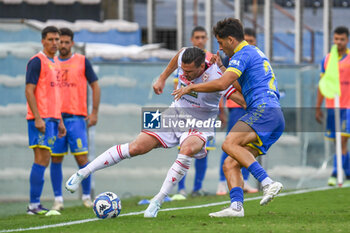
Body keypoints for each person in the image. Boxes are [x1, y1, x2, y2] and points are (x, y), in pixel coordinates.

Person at [65, 47, 246, 218]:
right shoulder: (185, 56)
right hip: (175, 113)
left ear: (201, 67)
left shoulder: (218, 75)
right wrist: (162, 78)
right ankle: (84, 172)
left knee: (187, 149)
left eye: (189, 72)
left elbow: (240, 98)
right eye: (183, 70)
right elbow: (179, 55)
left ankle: (158, 199)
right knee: (137, 147)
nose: (184, 74)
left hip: (200, 123)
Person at [173, 18, 285, 217]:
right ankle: (236, 208)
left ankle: (267, 182)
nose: (220, 48)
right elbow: (242, 90)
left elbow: (223, 84)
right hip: (272, 114)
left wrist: (191, 87)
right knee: (230, 163)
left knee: (228, 144)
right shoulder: (253, 52)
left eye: (221, 42)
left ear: (231, 40)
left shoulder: (242, 54)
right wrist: (223, 70)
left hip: (264, 110)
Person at [50, 28, 101, 211]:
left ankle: (87, 197)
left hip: (77, 118)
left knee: (82, 158)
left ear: (72, 43)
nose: (62, 45)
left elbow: (95, 85)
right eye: (59, 42)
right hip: (55, 120)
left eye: (66, 42)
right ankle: (58, 199)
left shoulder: (81, 61)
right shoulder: (50, 63)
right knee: (55, 159)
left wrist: (94, 112)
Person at [25, 26, 66, 215]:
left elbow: (55, 94)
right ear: (43, 41)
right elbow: (29, 90)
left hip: (52, 119)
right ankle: (33, 205)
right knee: (40, 159)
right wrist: (38, 118)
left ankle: (35, 204)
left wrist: (60, 120)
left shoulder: (55, 62)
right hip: (40, 119)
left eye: (57, 39)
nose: (54, 43)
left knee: (46, 159)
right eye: (50, 39)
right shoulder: (36, 61)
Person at [173, 26, 216, 198]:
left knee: (204, 149)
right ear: (192, 39)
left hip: (205, 114)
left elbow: (219, 88)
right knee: (183, 148)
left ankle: (197, 188)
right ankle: (180, 189)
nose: (200, 40)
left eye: (203, 37)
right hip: (185, 112)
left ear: (206, 39)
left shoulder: (213, 60)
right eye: (197, 37)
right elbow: (177, 83)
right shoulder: (185, 59)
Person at [216, 27, 258, 195]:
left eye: (252, 40)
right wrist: (220, 107)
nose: (249, 43)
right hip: (236, 107)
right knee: (231, 144)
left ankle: (244, 180)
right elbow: (222, 83)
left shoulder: (253, 57)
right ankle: (221, 181)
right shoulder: (230, 59)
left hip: (252, 108)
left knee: (246, 145)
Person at [315, 26, 350, 187]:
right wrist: (318, 107)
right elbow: (322, 84)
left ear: (347, 40)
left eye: (342, 39)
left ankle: (335, 173)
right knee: (337, 142)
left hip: (347, 107)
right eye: (336, 39)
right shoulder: (328, 59)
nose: (339, 42)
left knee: (342, 140)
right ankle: (348, 173)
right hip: (332, 106)